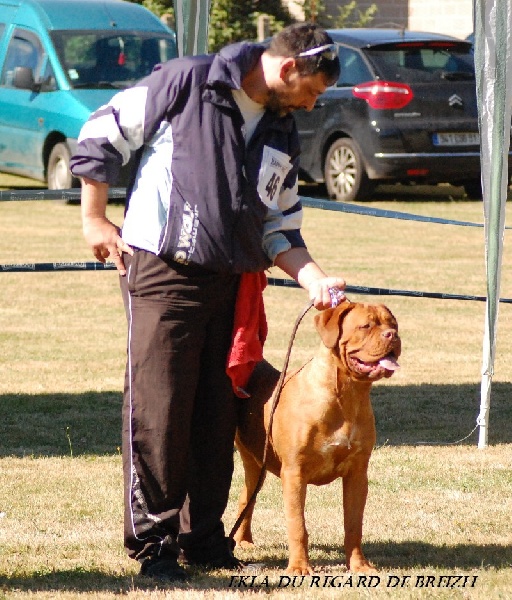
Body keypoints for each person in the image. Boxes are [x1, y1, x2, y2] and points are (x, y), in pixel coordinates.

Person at [70, 22, 346, 583]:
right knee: (160, 409)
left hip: (232, 283)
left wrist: (312, 275)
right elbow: (101, 133)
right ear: (288, 69)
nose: (314, 103)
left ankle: (203, 538)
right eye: (313, 90)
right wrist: (94, 219)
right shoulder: (187, 81)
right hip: (162, 273)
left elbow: (279, 224)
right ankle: (155, 546)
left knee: (216, 412)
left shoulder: (282, 128)